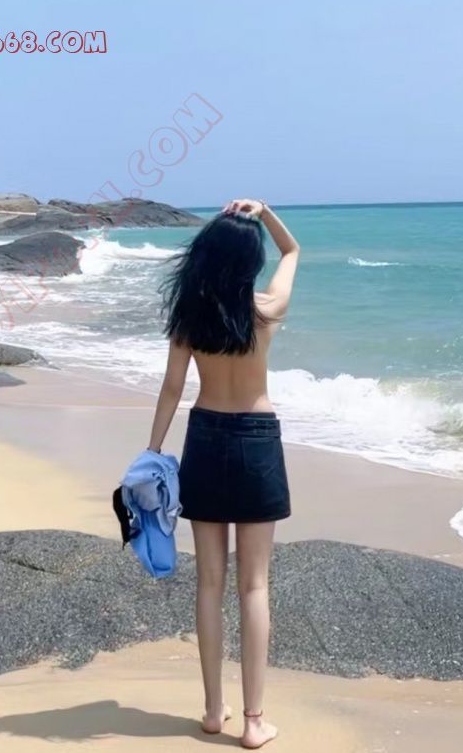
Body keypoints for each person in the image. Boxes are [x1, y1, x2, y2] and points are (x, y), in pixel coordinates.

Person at [147, 198, 300, 749]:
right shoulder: (265, 310)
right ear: (249, 262)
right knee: (254, 585)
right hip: (257, 441)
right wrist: (266, 213)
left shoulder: (190, 318)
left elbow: (172, 388)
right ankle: (254, 721)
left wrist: (153, 452)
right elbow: (292, 250)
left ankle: (214, 711)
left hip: (206, 439)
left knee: (209, 584)